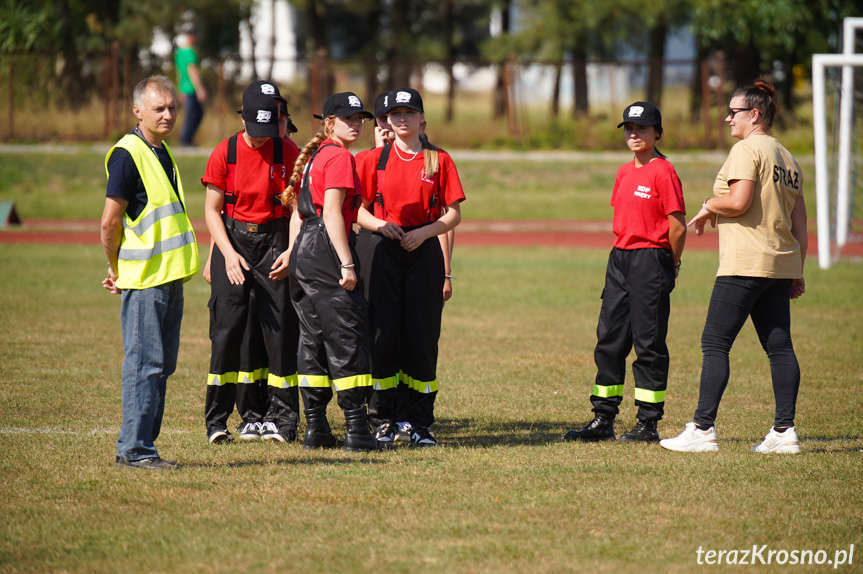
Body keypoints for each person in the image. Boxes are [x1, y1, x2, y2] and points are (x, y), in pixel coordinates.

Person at [661, 80, 807, 454]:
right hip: (780, 263)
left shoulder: (746, 149)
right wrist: (797, 269)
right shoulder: (788, 158)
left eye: (733, 112)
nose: (727, 118)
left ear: (754, 115)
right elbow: (800, 224)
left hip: (745, 262)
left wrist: (709, 204)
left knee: (714, 342)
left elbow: (739, 201)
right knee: (779, 347)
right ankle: (784, 432)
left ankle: (703, 429)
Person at [563, 101, 686, 444]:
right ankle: (603, 418)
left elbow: (677, 226)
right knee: (610, 340)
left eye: (642, 129)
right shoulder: (623, 172)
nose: (634, 134)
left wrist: (671, 264)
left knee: (648, 344)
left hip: (651, 259)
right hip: (619, 258)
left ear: (657, 133)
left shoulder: (664, 171)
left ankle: (647, 424)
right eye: (629, 129)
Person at [356, 88, 465, 447]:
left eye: (409, 112)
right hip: (383, 252)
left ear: (422, 119)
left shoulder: (440, 160)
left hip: (423, 253)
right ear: (386, 121)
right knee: (382, 336)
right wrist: (379, 226)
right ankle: (383, 420)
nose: (401, 119)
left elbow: (453, 214)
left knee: (421, 339)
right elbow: (355, 209)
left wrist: (423, 234)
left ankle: (419, 422)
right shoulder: (374, 160)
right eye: (394, 114)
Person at [101, 75, 199, 470]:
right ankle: (135, 451)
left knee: (162, 365)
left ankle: (143, 447)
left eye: (173, 107)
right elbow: (110, 222)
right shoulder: (128, 153)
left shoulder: (160, 152)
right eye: (159, 108)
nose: (168, 115)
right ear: (137, 111)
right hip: (144, 281)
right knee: (145, 363)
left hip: (168, 277)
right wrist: (115, 268)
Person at [284, 92, 386, 452]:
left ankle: (317, 428)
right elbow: (331, 214)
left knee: (311, 339)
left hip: (307, 251)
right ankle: (358, 431)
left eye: (360, 119)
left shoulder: (316, 156)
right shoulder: (340, 156)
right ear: (329, 123)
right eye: (348, 119)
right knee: (347, 337)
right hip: (327, 250)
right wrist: (346, 261)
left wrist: (292, 252)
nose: (357, 124)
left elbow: (302, 211)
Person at [201, 81, 300, 445]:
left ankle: (282, 420)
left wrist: (290, 251)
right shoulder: (223, 153)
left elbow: (297, 210)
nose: (261, 139)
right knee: (227, 332)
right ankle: (218, 420)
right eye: (254, 132)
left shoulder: (287, 150)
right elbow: (212, 212)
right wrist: (226, 254)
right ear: (241, 118)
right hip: (234, 241)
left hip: (275, 239)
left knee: (279, 333)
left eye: (267, 131)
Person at [175, 26, 207, 146]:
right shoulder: (189, 52)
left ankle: (186, 140)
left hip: (184, 88)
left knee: (192, 114)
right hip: (191, 89)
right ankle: (185, 141)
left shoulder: (180, 52)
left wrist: (179, 89)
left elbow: (179, 72)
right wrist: (200, 89)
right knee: (194, 115)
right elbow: (192, 70)